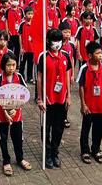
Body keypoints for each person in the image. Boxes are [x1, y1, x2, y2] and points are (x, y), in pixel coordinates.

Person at [37, 29, 71, 169]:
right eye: (54, 41)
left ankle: (55, 151)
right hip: (48, 99)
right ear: (48, 41)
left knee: (59, 127)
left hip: (61, 99)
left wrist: (68, 96)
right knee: (46, 127)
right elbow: (39, 78)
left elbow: (67, 76)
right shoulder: (43, 57)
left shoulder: (66, 56)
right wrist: (40, 98)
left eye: (59, 41)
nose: (57, 44)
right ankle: (47, 152)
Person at [0, 51, 31, 176]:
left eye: (13, 65)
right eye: (9, 65)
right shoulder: (0, 78)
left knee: (18, 137)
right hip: (2, 115)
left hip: (17, 114)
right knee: (3, 138)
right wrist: (5, 112)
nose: (11, 68)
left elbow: (24, 95)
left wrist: (17, 107)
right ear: (4, 65)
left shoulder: (19, 77)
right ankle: (6, 161)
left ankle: (20, 158)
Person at [77, 41, 102, 164]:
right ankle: (85, 150)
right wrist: (83, 104)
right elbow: (81, 86)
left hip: (100, 105)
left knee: (99, 128)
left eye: (101, 53)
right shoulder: (84, 69)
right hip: (89, 106)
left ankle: (96, 148)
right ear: (90, 56)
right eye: (97, 53)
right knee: (86, 128)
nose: (100, 55)